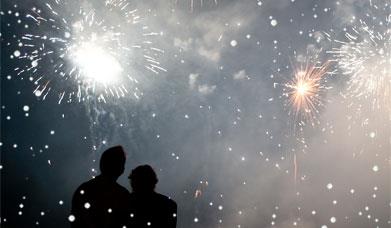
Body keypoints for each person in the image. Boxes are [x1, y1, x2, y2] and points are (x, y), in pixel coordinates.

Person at [71, 146, 130, 228]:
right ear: (121, 169)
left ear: (102, 164)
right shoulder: (123, 194)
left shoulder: (84, 189)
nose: (123, 167)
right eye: (122, 163)